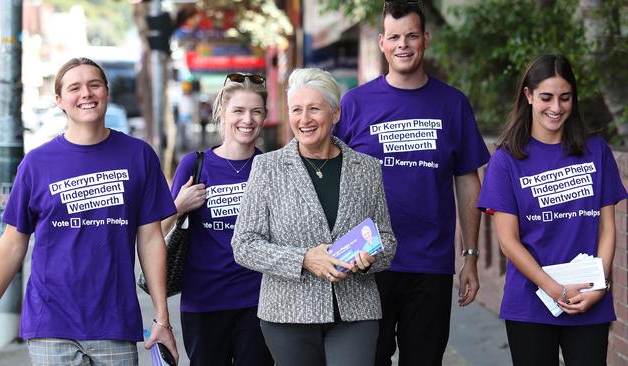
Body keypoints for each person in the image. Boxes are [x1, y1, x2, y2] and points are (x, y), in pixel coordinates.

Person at [0, 58, 179, 364]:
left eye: (94, 84)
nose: (86, 93)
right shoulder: (36, 163)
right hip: (50, 321)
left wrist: (162, 318)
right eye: (75, 87)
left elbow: (151, 240)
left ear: (106, 93)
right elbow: (13, 242)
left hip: (114, 322)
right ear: (59, 100)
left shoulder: (139, 156)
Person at [333, 2, 491, 365]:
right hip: (367, 262)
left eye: (412, 36)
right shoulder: (355, 104)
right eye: (394, 37)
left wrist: (470, 256)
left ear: (426, 39)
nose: (403, 44)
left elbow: (468, 179)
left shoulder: (452, 104)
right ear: (382, 43)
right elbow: (334, 175)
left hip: (430, 265)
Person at [231, 68, 397, 366]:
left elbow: (385, 238)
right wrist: (304, 259)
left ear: (335, 114)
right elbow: (244, 244)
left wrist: (370, 258)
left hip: (355, 311)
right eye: (297, 110)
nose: (304, 119)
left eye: (314, 109)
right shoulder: (268, 168)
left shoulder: (367, 168)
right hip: (287, 314)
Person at [477, 54, 627, 366]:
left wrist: (599, 285)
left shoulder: (596, 151)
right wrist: (555, 290)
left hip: (590, 298)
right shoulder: (506, 161)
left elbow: (607, 228)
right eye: (546, 97)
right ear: (528, 96)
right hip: (531, 303)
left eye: (565, 97)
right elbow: (508, 241)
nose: (556, 108)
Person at [164, 72, 273, 366]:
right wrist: (180, 205)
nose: (247, 120)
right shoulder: (195, 165)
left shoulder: (270, 167)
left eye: (256, 112)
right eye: (238, 111)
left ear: (264, 116)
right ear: (222, 113)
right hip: (204, 301)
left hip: (258, 300)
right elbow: (157, 228)